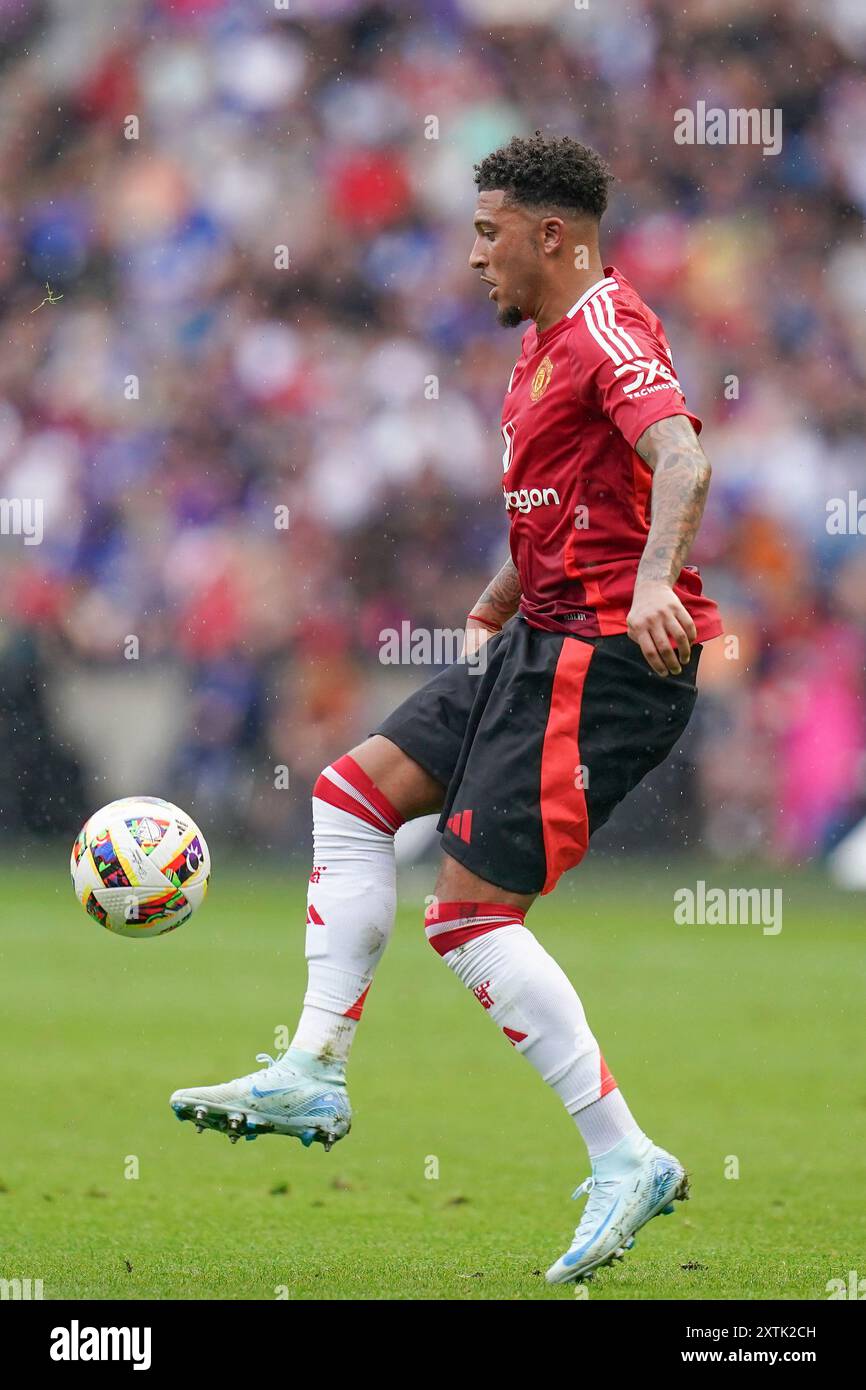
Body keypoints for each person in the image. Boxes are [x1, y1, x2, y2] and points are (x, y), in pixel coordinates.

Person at [170, 133, 723, 1286]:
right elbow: (576, 499)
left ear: (550, 235)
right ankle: (313, 1066)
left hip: (603, 658)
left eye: (488, 232)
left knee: (466, 920)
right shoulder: (536, 347)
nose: (472, 257)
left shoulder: (609, 329)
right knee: (349, 794)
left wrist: (655, 584)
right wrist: (502, 586)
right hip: (539, 633)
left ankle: (625, 1155)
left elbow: (676, 455)